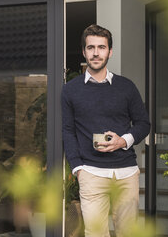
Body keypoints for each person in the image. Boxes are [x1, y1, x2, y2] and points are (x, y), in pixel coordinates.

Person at [61, 24, 150, 237]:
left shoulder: (126, 87)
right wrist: (77, 169)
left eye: (101, 47)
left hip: (126, 173)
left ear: (110, 52)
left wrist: (123, 141)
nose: (96, 52)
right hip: (90, 173)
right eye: (91, 47)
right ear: (84, 52)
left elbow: (143, 124)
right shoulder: (70, 90)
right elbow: (67, 130)